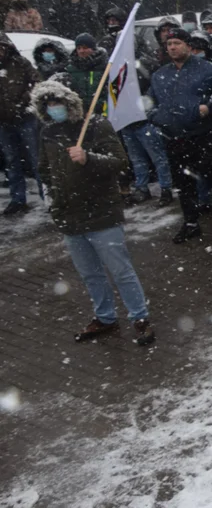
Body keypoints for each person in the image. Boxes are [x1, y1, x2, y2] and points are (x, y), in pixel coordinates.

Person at [33, 78, 156, 346]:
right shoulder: (48, 132)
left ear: (69, 102)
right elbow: (44, 169)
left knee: (120, 269)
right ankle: (105, 317)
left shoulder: (96, 125)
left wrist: (88, 158)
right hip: (70, 215)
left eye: (57, 102)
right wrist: (53, 197)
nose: (54, 108)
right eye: (48, 104)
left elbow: (119, 163)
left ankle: (140, 317)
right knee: (90, 273)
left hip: (101, 212)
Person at [147, 27, 212, 245]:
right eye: (169, 44)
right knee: (184, 185)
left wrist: (210, 107)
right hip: (175, 140)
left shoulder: (208, 69)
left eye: (177, 43)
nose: (173, 47)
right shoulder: (160, 75)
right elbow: (148, 103)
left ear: (188, 46)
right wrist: (155, 117)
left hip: (206, 138)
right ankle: (191, 223)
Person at [0, 32, 40, 216]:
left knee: (35, 158)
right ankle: (17, 199)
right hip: (3, 121)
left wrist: (22, 102)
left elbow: (35, 82)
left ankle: (46, 195)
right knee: (11, 161)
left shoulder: (20, 63)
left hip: (25, 117)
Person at [66, 34, 109, 116]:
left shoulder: (104, 66)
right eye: (79, 48)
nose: (82, 51)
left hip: (102, 112)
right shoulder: (71, 68)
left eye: (85, 48)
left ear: (93, 48)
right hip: (80, 114)